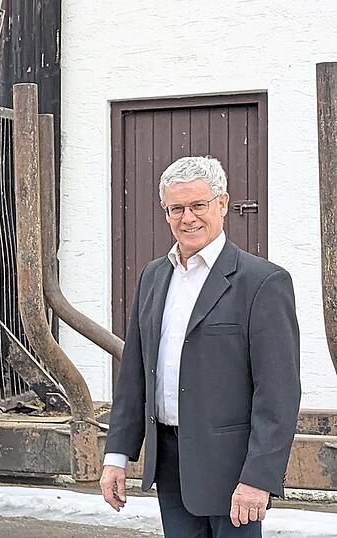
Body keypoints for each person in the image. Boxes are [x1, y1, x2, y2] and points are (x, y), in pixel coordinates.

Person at [100, 156, 301, 537]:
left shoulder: (263, 282)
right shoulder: (153, 276)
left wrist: (259, 477)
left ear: (222, 204)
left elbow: (278, 393)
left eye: (198, 205)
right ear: (165, 212)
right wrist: (116, 455)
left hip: (233, 472)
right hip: (170, 463)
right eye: (176, 208)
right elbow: (135, 374)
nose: (187, 218)